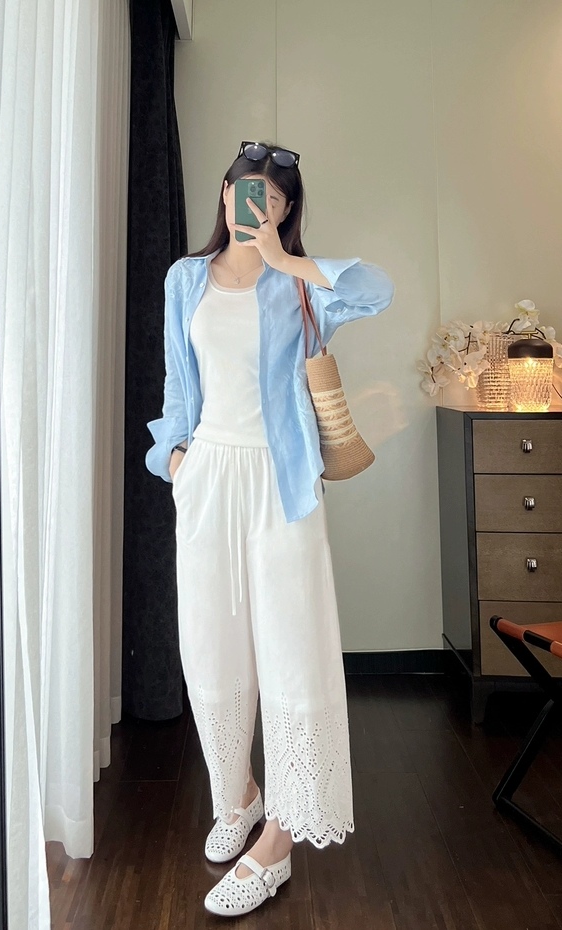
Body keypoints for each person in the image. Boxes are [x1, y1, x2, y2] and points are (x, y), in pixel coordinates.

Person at [145, 141, 394, 917]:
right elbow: (177, 382)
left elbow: (376, 289)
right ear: (224, 194)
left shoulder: (299, 283)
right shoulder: (185, 279)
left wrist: (286, 259)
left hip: (281, 485)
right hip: (208, 477)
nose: (253, 205)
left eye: (273, 198)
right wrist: (174, 459)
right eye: (244, 191)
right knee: (209, 645)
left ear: (286, 212)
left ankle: (280, 840)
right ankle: (238, 796)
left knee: (292, 650)